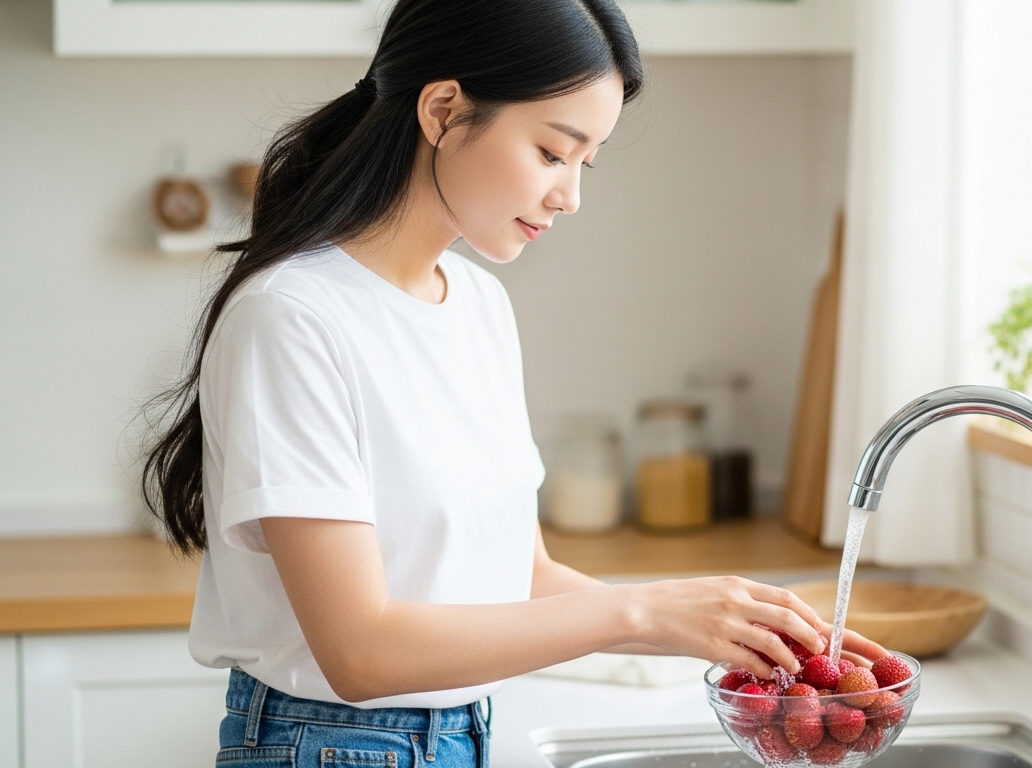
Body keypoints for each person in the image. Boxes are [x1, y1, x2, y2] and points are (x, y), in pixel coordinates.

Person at [142, 1, 885, 765]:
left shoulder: (478, 306)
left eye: (584, 163)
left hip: (462, 737)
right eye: (552, 153)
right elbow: (359, 652)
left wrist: (730, 629)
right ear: (443, 110)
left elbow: (523, 577)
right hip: (328, 747)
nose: (569, 196)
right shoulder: (292, 315)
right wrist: (640, 609)